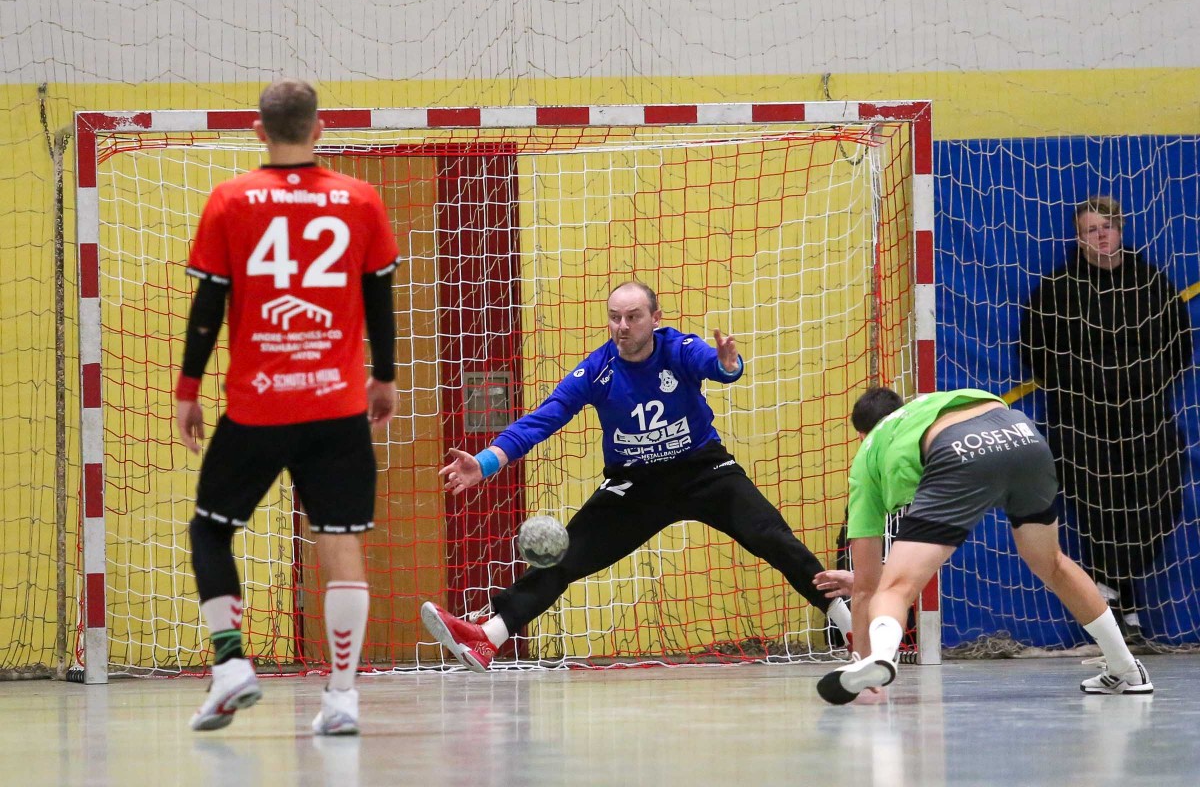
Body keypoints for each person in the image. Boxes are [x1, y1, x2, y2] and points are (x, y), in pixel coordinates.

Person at [421, 282, 852, 670]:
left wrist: (727, 365)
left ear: (655, 318)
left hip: (703, 471)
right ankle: (488, 637)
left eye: (633, 316)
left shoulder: (678, 348)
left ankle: (852, 628)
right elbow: (542, 419)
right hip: (635, 486)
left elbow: (716, 365)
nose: (622, 326)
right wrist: (485, 462)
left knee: (774, 538)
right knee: (565, 557)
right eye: (615, 317)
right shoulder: (596, 370)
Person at [175, 79, 400, 734]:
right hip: (336, 407)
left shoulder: (230, 199)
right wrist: (384, 378)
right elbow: (380, 299)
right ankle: (341, 699)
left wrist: (188, 390)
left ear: (259, 130)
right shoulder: (359, 199)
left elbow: (208, 307)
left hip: (257, 408)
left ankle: (230, 666)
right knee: (341, 541)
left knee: (210, 530)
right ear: (319, 129)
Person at [815, 387, 1152, 705]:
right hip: (1023, 436)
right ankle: (1126, 669)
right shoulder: (933, 403)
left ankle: (879, 659)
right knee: (1052, 563)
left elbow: (866, 588)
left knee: (895, 589)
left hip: (957, 450)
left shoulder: (869, 453)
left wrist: (861, 654)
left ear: (861, 435)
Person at [1021, 195, 1192, 643]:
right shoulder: (1056, 289)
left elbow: (1179, 346)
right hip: (1080, 422)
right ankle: (1121, 617)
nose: (1101, 236)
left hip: (1145, 417)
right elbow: (1034, 350)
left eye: (1107, 227)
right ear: (1078, 238)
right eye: (1091, 229)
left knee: (1160, 505)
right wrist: (1083, 386)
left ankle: (1109, 588)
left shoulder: (1151, 282)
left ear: (1121, 229)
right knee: (1097, 517)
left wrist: (1139, 383)